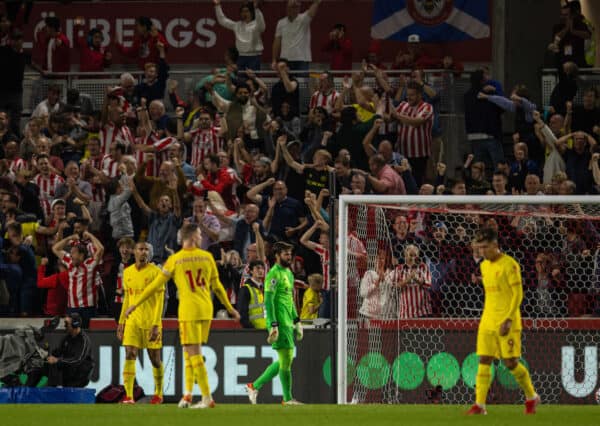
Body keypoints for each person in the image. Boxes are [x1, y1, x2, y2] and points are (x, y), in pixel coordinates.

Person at [124, 223, 240, 409]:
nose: (201, 237)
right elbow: (217, 287)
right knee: (189, 352)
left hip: (189, 311)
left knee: (193, 353)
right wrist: (230, 308)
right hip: (206, 310)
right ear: (193, 237)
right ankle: (187, 395)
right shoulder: (207, 257)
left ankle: (206, 397)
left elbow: (154, 286)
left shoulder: (176, 259)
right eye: (200, 234)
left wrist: (134, 304)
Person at [466, 227, 540, 415]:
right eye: (479, 247)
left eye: (485, 247)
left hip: (508, 320)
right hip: (487, 320)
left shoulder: (510, 265)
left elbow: (518, 294)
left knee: (510, 363)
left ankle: (531, 396)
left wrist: (508, 318)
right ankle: (480, 405)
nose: (481, 251)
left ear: (495, 245)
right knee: (484, 359)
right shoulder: (483, 265)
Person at [246, 241, 304, 405]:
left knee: (286, 360)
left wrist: (297, 320)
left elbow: (290, 299)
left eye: (290, 254)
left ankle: (254, 385)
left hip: (288, 322)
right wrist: (273, 325)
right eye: (286, 254)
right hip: (279, 322)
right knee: (286, 360)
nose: (289, 256)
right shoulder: (273, 274)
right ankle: (287, 399)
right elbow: (269, 301)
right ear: (277, 255)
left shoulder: (289, 273)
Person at [117, 242, 164, 404]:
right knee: (130, 354)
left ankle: (158, 393)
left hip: (151, 321)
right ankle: (129, 396)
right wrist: (122, 321)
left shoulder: (156, 272)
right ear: (134, 252)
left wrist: (156, 324)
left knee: (155, 359)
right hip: (132, 321)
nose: (143, 252)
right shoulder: (128, 272)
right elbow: (127, 299)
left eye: (146, 250)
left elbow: (160, 300)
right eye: (140, 249)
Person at [26, 313, 94, 387]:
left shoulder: (83, 340)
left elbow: (78, 360)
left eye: (67, 324)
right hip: (68, 374)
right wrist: (45, 355)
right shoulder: (67, 338)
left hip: (79, 376)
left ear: (75, 325)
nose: (65, 326)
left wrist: (57, 360)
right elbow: (58, 352)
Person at [214, 0, 265, 70]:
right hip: (241, 57)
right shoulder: (237, 25)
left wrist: (256, 8)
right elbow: (223, 21)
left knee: (253, 79)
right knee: (240, 79)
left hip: (254, 57)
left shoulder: (257, 25)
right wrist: (217, 6)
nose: (244, 13)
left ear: (252, 13)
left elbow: (261, 24)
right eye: (243, 11)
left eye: (247, 11)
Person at [237, 260, 267, 329]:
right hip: (255, 332)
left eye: (262, 268)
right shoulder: (245, 289)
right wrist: (251, 330)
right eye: (257, 268)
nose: (261, 271)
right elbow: (242, 314)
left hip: (267, 330)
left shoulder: (265, 289)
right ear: (251, 271)